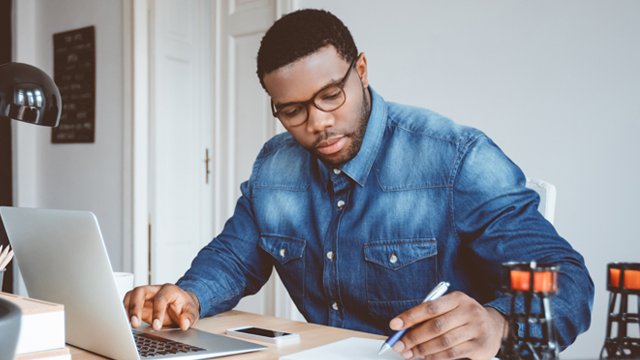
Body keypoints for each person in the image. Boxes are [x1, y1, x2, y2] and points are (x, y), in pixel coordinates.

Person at [125, 9, 593, 359]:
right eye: (293, 111)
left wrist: (498, 323)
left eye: (331, 95)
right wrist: (189, 295)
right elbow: (233, 257)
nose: (319, 123)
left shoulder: (455, 157)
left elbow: (568, 278)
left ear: (362, 71)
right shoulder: (274, 166)